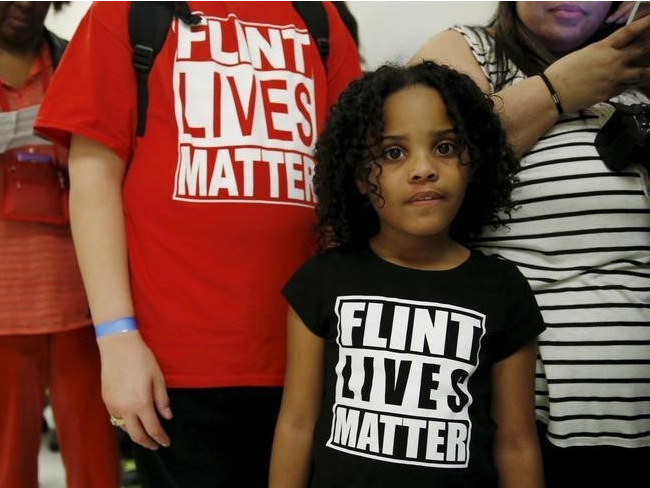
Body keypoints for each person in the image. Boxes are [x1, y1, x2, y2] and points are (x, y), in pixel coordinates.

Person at [33, 1, 361, 487]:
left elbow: (351, 172)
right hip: (174, 367)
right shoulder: (126, 14)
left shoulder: (319, 16)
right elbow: (92, 181)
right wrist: (118, 340)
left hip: (310, 354)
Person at [269, 60, 546, 488]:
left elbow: (516, 444)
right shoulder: (321, 282)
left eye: (445, 147)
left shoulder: (502, 290)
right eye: (393, 152)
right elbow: (297, 424)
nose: (423, 169)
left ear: (472, 161)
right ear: (360, 175)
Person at [410, 1, 650, 486]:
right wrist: (560, 89)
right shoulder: (470, 49)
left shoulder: (638, 71)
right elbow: (424, 163)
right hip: (527, 421)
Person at [0, 1, 120, 487]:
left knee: (97, 465)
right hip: (4, 307)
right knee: (8, 465)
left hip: (87, 298)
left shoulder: (76, 60)